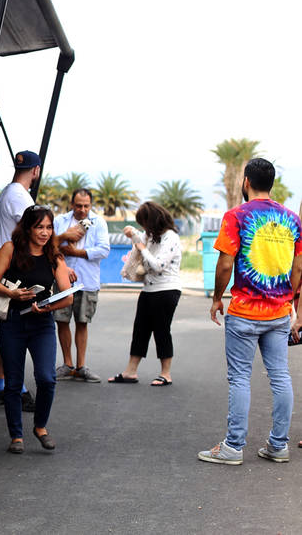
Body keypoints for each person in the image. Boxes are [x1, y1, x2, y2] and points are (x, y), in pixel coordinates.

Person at [198, 158, 302, 466]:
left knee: (240, 377)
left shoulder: (236, 216)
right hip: (279, 313)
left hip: (244, 311)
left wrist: (218, 297)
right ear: (271, 184)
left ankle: (233, 446)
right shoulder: (292, 219)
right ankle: (278, 445)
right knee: (280, 376)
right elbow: (298, 267)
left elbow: (226, 263)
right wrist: (291, 300)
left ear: (246, 182)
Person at [0, 204, 74, 453]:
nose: (45, 233)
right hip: (12, 322)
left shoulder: (55, 257)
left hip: (42, 325)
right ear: (28, 227)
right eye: (39, 227)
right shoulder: (11, 249)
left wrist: (46, 309)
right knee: (13, 383)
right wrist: (11, 293)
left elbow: (67, 297)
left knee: (47, 378)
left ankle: (40, 427)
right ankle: (16, 436)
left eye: (48, 227)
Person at [0, 150, 43, 411]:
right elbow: (35, 232)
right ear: (36, 171)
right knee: (18, 332)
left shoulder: (5, 195)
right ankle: (16, 388)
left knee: (8, 329)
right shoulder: (20, 196)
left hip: (6, 264)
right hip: (18, 268)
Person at [107, 201, 182, 386]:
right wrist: (133, 234)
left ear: (153, 221)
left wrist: (141, 247)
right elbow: (139, 240)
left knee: (162, 330)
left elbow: (158, 265)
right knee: (140, 329)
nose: (143, 227)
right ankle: (130, 371)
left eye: (144, 223)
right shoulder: (150, 235)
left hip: (166, 289)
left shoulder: (170, 237)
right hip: (148, 289)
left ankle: (166, 373)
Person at [53, 188, 110, 382]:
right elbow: (49, 245)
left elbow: (104, 250)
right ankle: (67, 364)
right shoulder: (60, 221)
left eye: (86, 206)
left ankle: (81, 366)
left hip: (87, 281)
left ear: (91, 205)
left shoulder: (98, 222)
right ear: (72, 205)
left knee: (82, 322)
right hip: (62, 280)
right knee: (61, 320)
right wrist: (64, 243)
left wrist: (77, 252)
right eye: (79, 206)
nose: (82, 210)